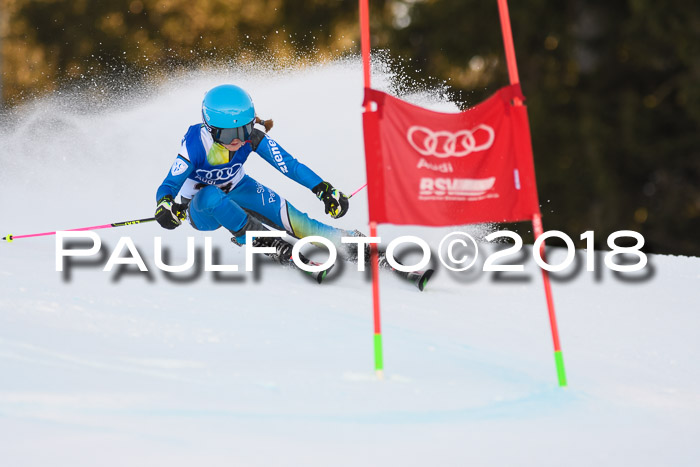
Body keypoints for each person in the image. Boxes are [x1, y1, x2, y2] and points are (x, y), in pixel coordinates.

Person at [154, 84, 362, 268]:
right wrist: (165, 204)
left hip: (240, 188)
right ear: (211, 129)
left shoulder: (252, 138)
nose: (236, 140)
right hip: (202, 209)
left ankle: (349, 242)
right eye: (227, 134)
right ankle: (265, 241)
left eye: (243, 130)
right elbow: (169, 185)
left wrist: (323, 189)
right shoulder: (195, 145)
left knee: (296, 220)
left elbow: (289, 166)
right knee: (212, 195)